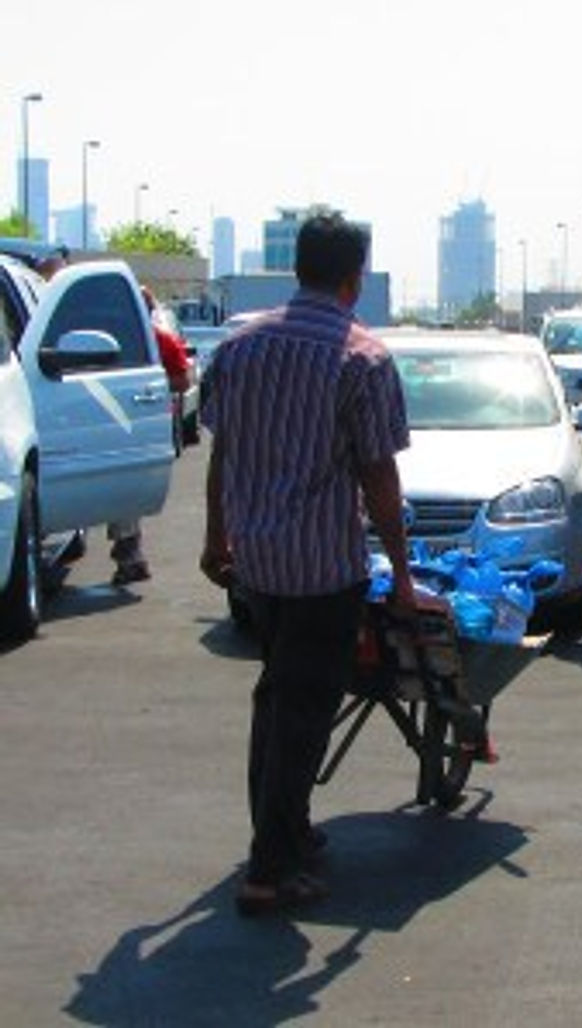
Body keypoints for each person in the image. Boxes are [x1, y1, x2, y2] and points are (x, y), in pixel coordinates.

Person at [199, 213, 416, 916]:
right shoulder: (361, 356)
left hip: (257, 562)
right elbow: (379, 477)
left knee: (275, 694)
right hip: (323, 565)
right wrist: (405, 576)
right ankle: (269, 869)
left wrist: (215, 538)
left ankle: (286, 830)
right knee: (301, 710)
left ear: (297, 268)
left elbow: (221, 452)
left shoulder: (239, 346)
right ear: (355, 279)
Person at [107, 287, 191, 585]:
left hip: (146, 422)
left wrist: (150, 384)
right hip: (107, 424)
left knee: (129, 488)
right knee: (121, 488)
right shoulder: (107, 340)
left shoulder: (160, 340)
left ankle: (129, 552)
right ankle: (129, 551)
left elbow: (182, 380)